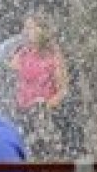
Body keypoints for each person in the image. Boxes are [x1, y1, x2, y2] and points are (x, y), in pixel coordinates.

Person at [10, 14, 69, 158]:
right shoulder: (22, 52)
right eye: (25, 28)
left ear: (42, 30)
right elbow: (9, 78)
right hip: (22, 114)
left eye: (30, 27)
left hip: (44, 115)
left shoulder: (53, 55)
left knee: (46, 157)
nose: (25, 31)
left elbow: (63, 89)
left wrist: (45, 106)